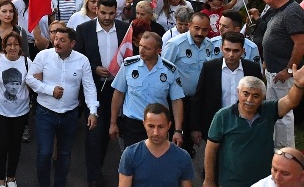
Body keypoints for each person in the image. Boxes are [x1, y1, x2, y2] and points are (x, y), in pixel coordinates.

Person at [204, 70, 304, 187]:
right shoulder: (223, 116)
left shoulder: (269, 110)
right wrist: (209, 180)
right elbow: (211, 149)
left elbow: (290, 101)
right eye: (245, 94)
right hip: (231, 183)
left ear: (263, 97)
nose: (249, 100)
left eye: (256, 96)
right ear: (238, 92)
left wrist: (298, 85)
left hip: (264, 182)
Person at [27, 26, 98, 187]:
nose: (57, 43)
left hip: (70, 115)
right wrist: (49, 90)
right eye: (55, 38)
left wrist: (93, 111)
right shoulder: (43, 56)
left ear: (72, 43)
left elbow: (89, 87)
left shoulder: (82, 60)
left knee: (64, 154)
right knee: (45, 153)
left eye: (62, 40)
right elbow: (30, 79)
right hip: (45, 113)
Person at [74, 0, 129, 186]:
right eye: (103, 12)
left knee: (108, 133)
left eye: (111, 13)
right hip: (94, 88)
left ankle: (100, 164)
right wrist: (95, 67)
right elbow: (78, 57)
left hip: (117, 88)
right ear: (96, 10)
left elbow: (130, 53)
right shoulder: (84, 30)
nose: (107, 17)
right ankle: (93, 176)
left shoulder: (124, 29)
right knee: (94, 133)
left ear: (116, 12)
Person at [110, 32, 185, 147]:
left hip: (158, 126)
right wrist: (113, 123)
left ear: (158, 50)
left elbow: (176, 101)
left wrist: (178, 130)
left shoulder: (170, 70)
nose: (141, 50)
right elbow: (118, 94)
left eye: (147, 48)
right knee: (132, 160)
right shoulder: (128, 65)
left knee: (157, 160)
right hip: (133, 124)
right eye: (140, 46)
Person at [191, 31, 264, 144]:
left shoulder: (252, 69)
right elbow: (199, 97)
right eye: (227, 50)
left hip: (245, 123)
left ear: (243, 51)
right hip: (216, 123)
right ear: (221, 49)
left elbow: (260, 97)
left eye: (236, 51)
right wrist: (195, 128)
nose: (231, 54)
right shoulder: (210, 68)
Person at [0, 32, 33, 187]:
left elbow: (32, 85)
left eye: (16, 44)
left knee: (15, 145)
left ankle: (11, 177)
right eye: (9, 44)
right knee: (2, 145)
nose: (12, 47)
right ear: (4, 46)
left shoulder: (27, 62)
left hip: (20, 112)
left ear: (20, 47)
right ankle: (0, 179)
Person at [259, 0, 304, 148]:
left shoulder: (291, 13)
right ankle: (277, 147)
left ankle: (285, 151)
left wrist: (289, 71)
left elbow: (301, 44)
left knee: (283, 114)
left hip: (283, 75)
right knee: (275, 111)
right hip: (274, 71)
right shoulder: (279, 9)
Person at [161, 11, 212, 156]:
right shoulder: (175, 44)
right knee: (177, 141)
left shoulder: (209, 46)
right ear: (189, 25)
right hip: (178, 101)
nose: (200, 33)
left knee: (194, 140)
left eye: (204, 29)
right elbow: (164, 73)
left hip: (199, 102)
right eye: (196, 28)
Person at [118, 103, 194, 187]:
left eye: (161, 127)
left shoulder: (183, 157)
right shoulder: (130, 154)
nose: (156, 132)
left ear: (169, 125)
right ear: (144, 124)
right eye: (151, 126)